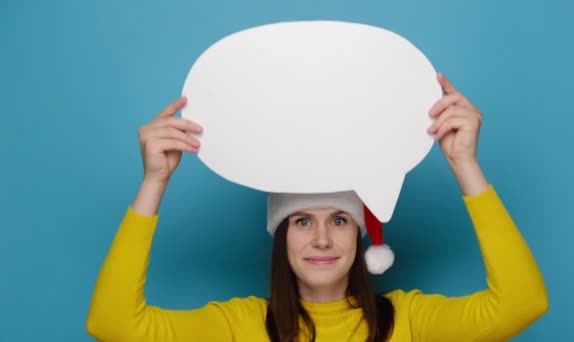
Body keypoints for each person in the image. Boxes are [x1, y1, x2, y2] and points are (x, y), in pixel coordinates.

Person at [86, 73, 549, 341]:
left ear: (361, 236)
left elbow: (522, 303)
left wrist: (464, 164)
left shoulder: (409, 321)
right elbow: (112, 323)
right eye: (303, 220)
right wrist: (155, 181)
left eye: (340, 220)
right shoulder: (238, 326)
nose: (322, 239)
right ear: (281, 234)